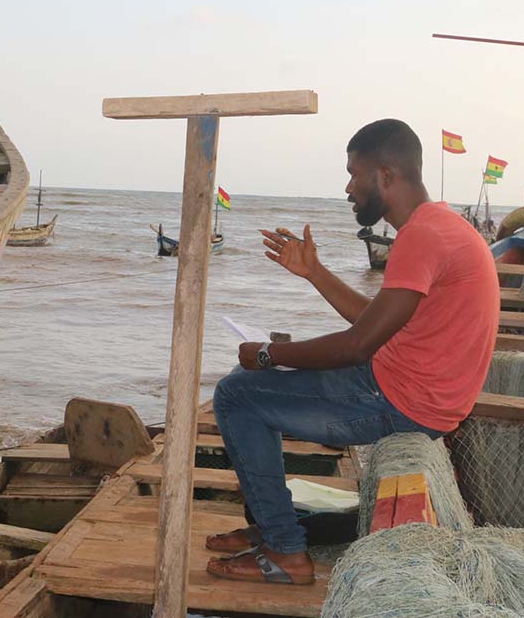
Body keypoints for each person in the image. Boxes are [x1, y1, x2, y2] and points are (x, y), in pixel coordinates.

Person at [204, 118, 498, 586]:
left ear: (384, 176)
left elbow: (358, 344)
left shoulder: (422, 236)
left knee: (237, 396)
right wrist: (315, 272)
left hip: (402, 401)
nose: (348, 187)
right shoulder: (437, 227)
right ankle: (272, 525)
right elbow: (372, 325)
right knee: (253, 388)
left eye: (353, 174)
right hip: (412, 389)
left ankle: (285, 550)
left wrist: (268, 355)